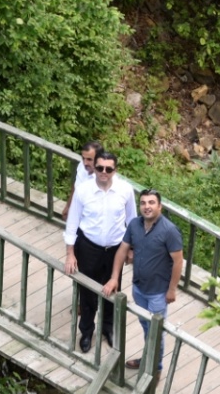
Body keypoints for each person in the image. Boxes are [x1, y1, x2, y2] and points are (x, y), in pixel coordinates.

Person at [63, 150, 136, 352]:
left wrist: (132, 248)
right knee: (87, 292)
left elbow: (132, 221)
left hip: (115, 249)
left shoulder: (125, 190)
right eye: (100, 168)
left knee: (113, 288)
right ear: (94, 168)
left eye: (108, 169)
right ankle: (86, 331)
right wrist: (70, 253)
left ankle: (108, 328)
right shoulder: (83, 190)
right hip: (88, 247)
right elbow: (73, 222)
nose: (104, 172)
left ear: (115, 170)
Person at [104, 189, 183, 373]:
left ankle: (154, 369)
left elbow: (178, 261)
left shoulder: (169, 231)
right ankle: (148, 359)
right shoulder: (134, 225)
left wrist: (172, 289)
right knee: (146, 327)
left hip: (158, 293)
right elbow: (123, 250)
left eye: (151, 203)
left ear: (160, 206)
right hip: (138, 289)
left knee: (155, 333)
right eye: (143, 203)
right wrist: (114, 278)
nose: (147, 206)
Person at [59, 141, 102, 220]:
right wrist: (68, 206)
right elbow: (76, 187)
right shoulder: (82, 166)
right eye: (83, 158)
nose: (85, 163)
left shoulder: (104, 179)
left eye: (89, 159)